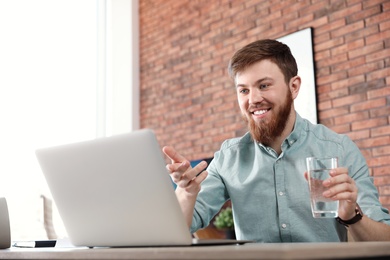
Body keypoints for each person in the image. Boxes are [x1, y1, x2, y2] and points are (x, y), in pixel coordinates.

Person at [162, 39, 390, 242]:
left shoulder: (340, 149)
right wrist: (187, 193)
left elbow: (383, 240)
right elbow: (179, 229)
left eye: (264, 86)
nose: (253, 99)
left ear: (294, 87)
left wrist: (351, 216)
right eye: (243, 90)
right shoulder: (228, 157)